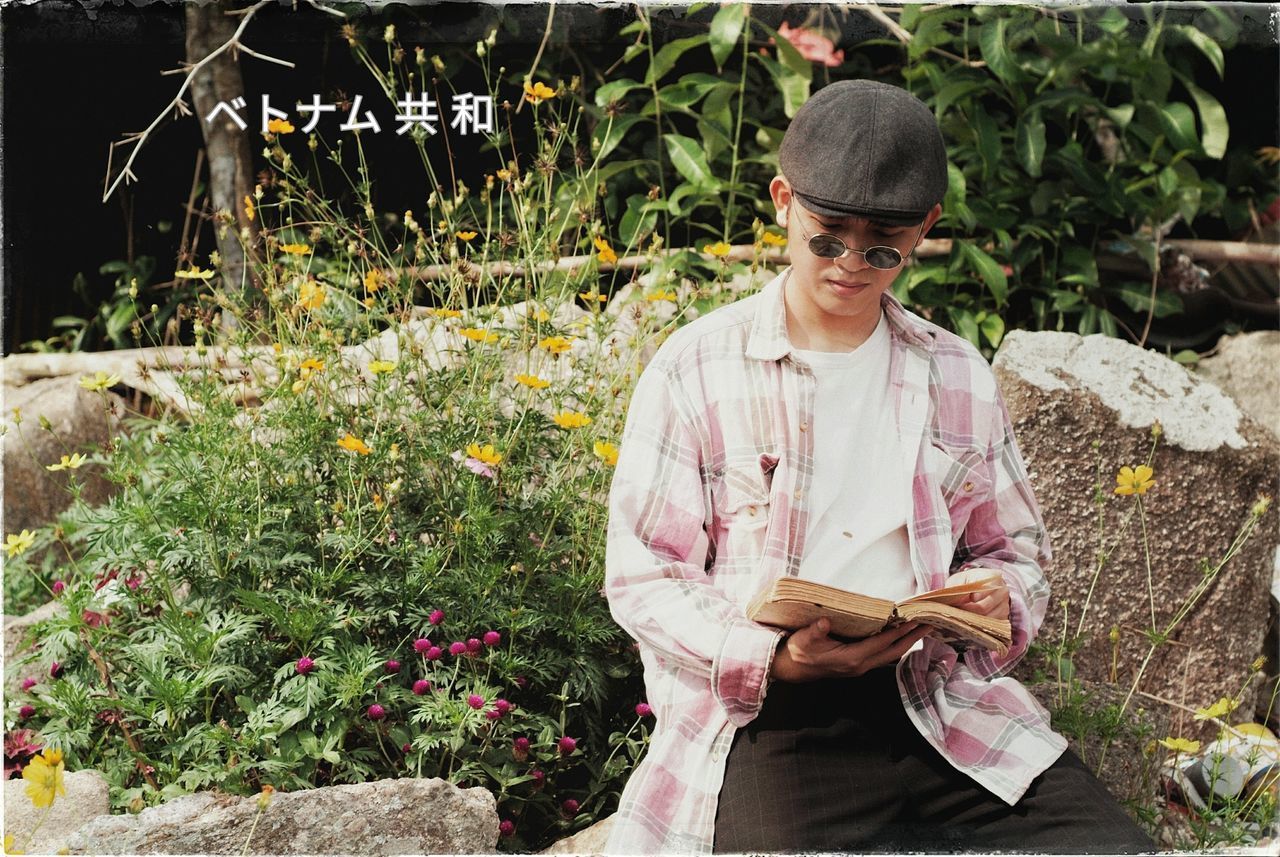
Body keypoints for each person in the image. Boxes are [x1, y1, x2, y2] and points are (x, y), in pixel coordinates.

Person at [602, 80, 1154, 854]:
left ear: (926, 227)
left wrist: (999, 594)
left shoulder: (956, 373)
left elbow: (1014, 550)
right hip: (769, 716)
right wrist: (776, 657)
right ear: (784, 201)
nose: (852, 264)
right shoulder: (696, 366)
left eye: (883, 245)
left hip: (935, 700)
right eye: (827, 237)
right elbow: (644, 572)